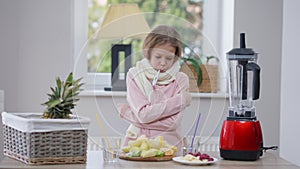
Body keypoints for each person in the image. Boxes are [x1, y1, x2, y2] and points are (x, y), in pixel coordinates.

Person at [117, 25, 191, 149]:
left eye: (169, 58)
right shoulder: (134, 75)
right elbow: (143, 115)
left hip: (169, 148)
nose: (163, 63)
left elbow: (172, 123)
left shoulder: (181, 79)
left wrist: (130, 115)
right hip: (136, 147)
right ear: (148, 52)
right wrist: (181, 100)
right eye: (158, 57)